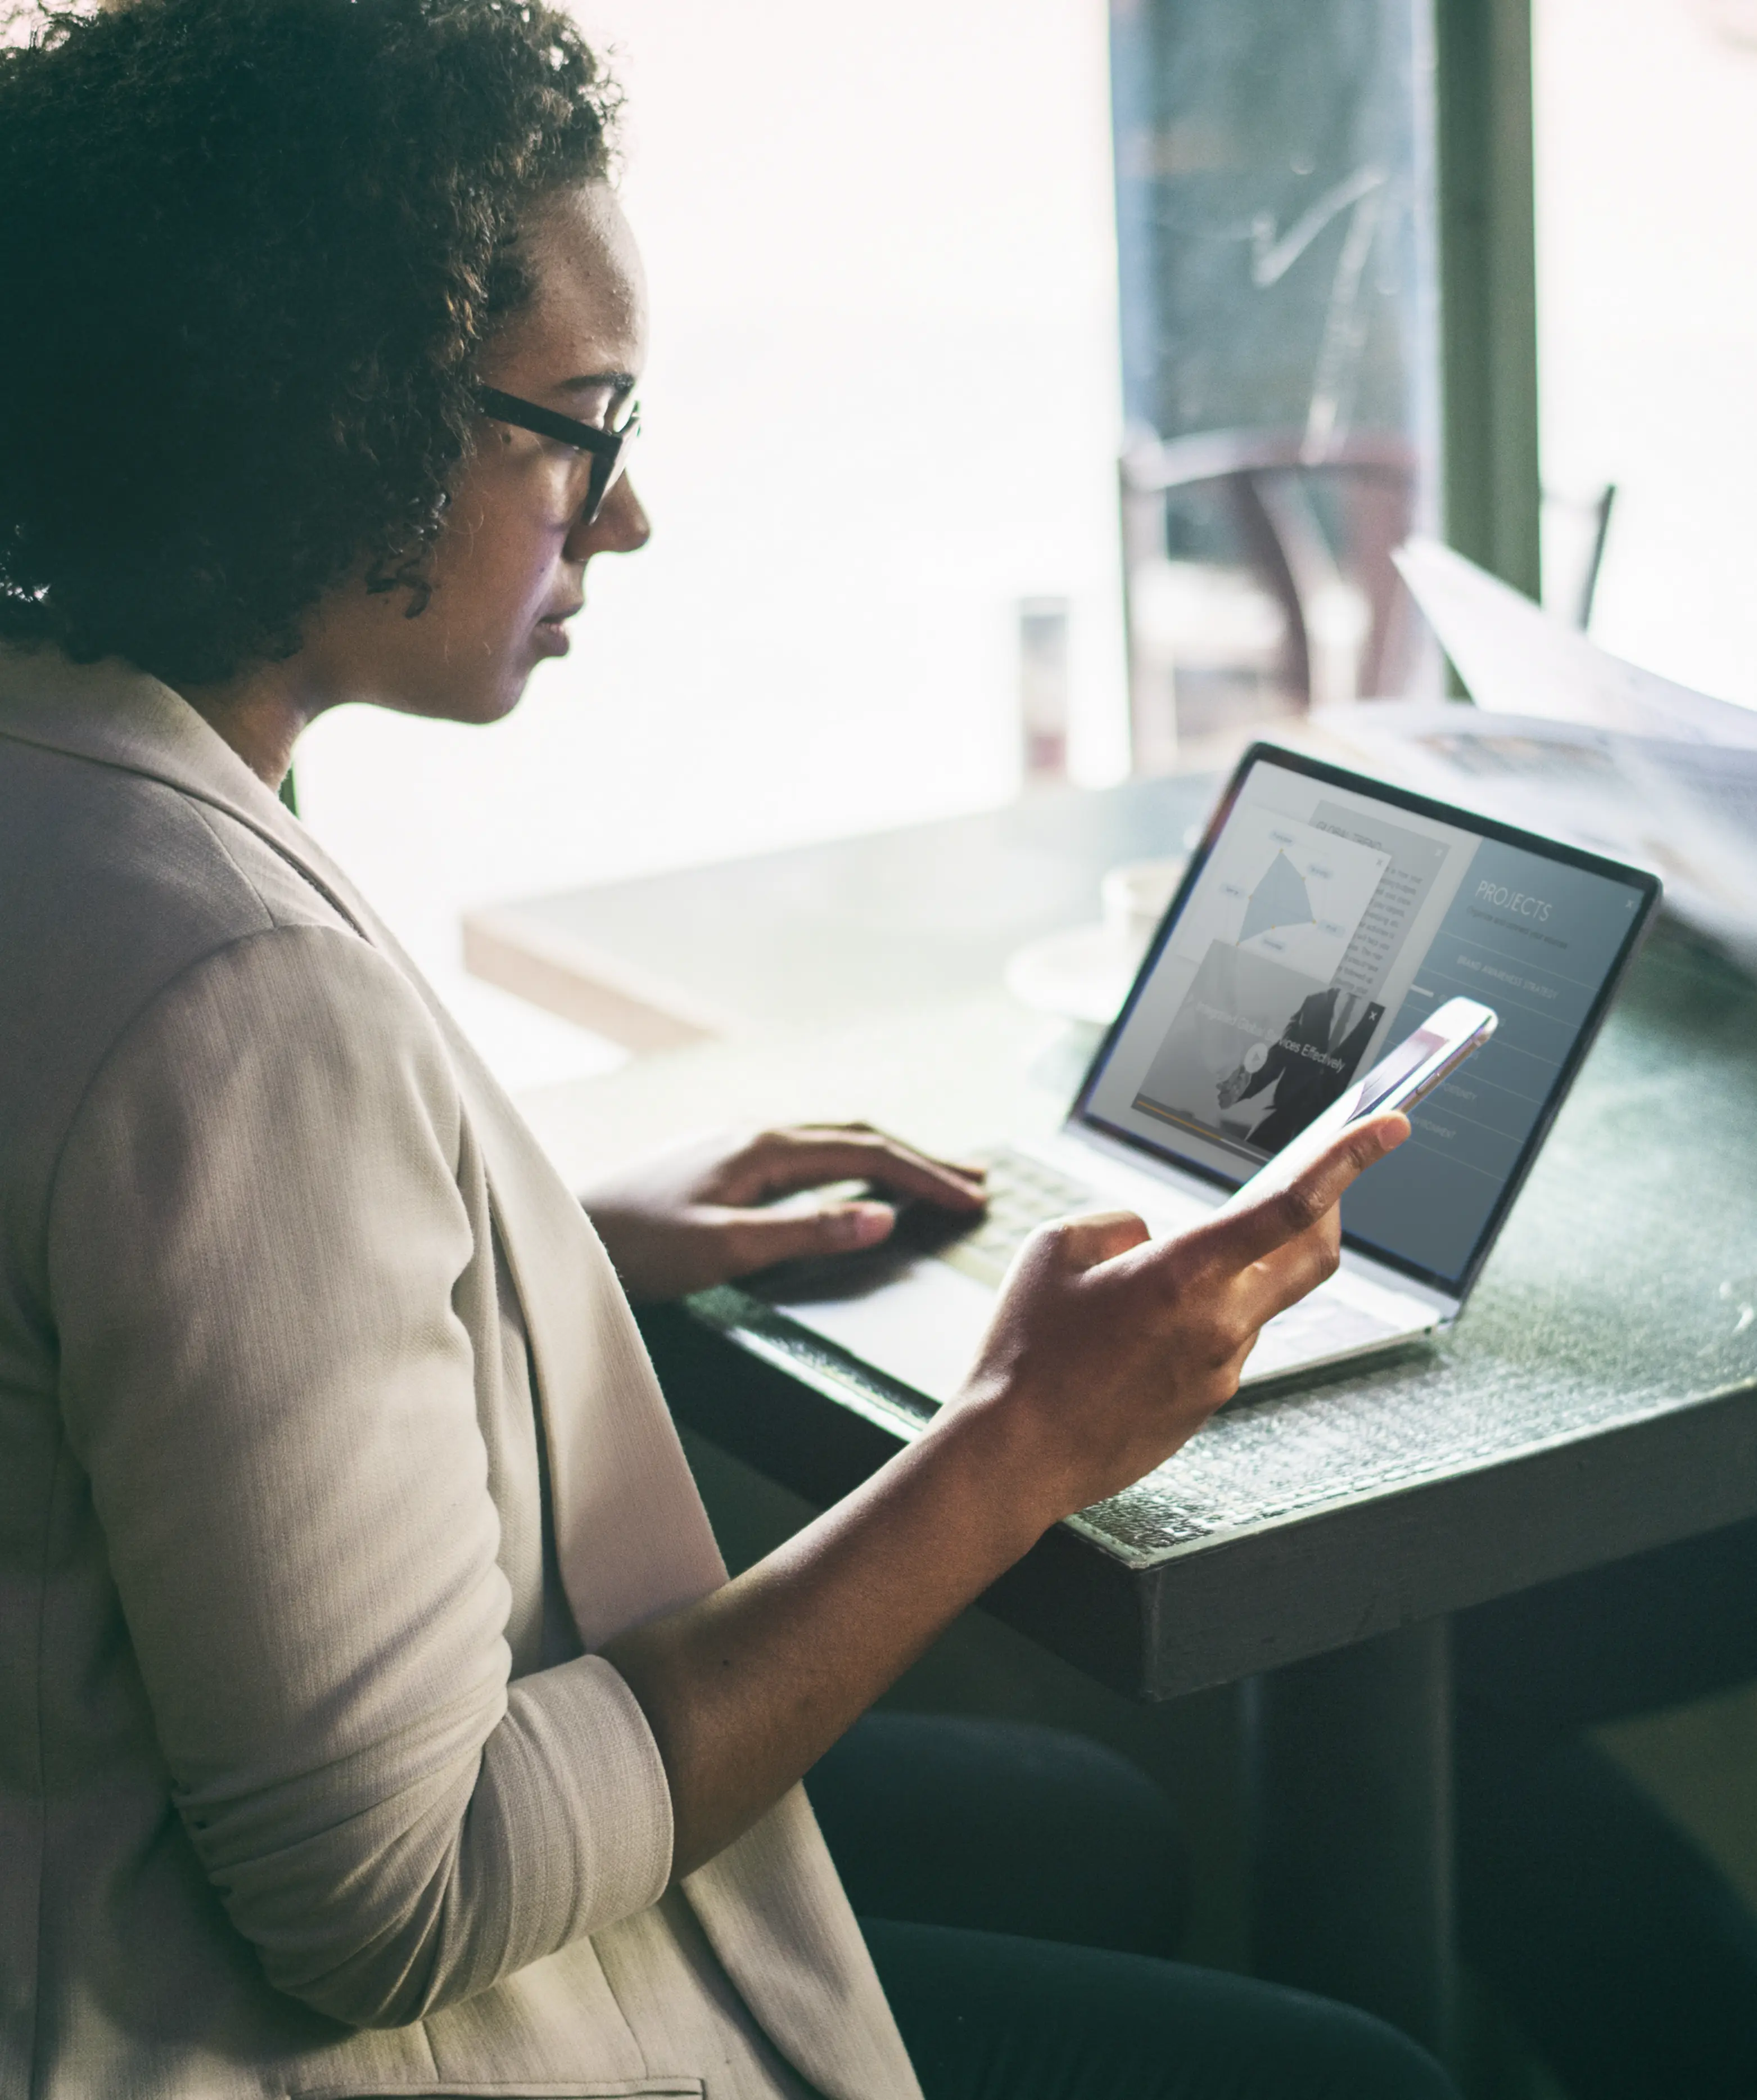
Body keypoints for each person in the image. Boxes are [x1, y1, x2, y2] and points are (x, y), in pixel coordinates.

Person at [0, 5, 1454, 2098]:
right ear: (324, 417)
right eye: (576, 423)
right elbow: (392, 1903)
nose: (625, 516)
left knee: (1092, 1835)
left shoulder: (70, 773)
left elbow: (116, 1274)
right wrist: (1023, 1442)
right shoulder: (227, 995)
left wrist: (535, 1241)